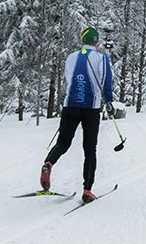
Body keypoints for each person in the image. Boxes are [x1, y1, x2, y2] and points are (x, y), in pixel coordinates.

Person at [40, 27, 115, 203]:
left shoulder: (72, 57)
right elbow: (106, 80)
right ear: (96, 41)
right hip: (91, 108)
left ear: (83, 40)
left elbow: (69, 78)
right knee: (90, 150)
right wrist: (109, 101)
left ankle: (48, 163)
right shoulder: (101, 58)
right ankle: (87, 191)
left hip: (70, 106)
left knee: (63, 143)